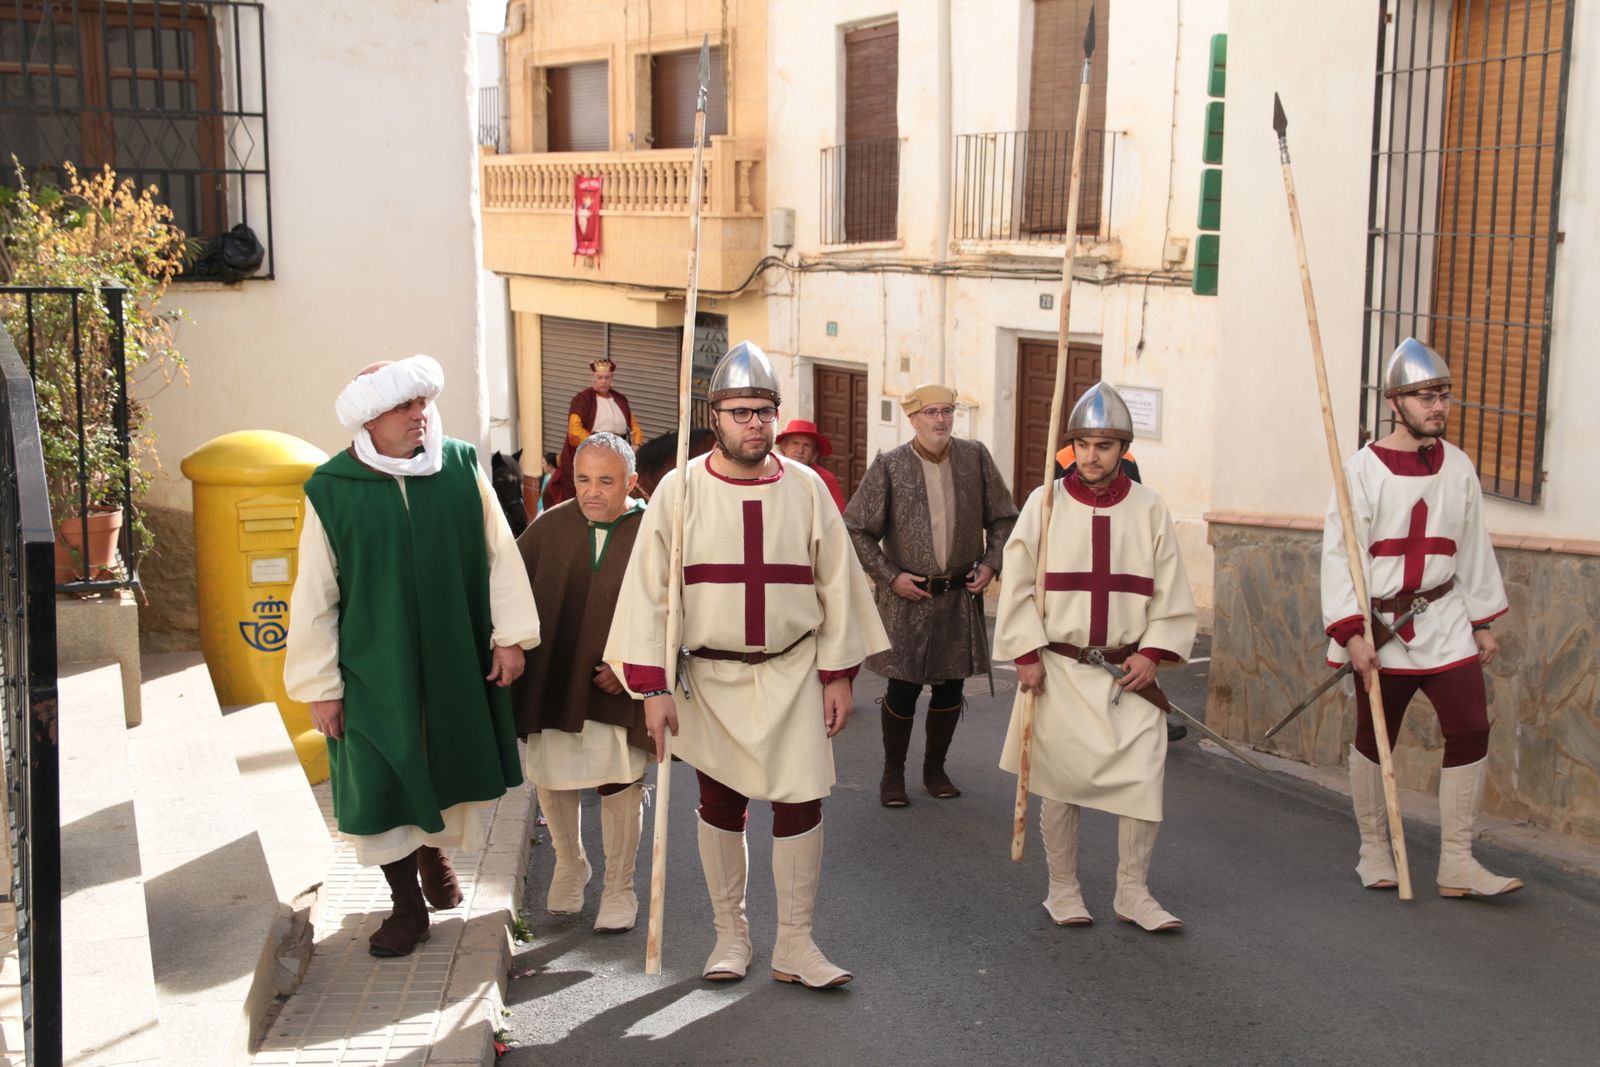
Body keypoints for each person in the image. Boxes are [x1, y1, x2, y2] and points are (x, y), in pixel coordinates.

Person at [605, 341, 888, 988]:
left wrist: (839, 673)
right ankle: (730, 934)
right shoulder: (680, 488)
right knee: (720, 801)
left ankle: (796, 944)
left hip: (792, 673)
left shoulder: (809, 488)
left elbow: (839, 584)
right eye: (740, 411)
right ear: (716, 415)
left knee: (801, 802)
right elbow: (650, 591)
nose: (755, 423)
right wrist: (652, 686)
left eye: (764, 411)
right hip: (710, 679)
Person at [284, 355, 540, 957]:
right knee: (381, 780)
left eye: (423, 402)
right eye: (404, 407)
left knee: (444, 762)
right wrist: (321, 685)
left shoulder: (458, 466)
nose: (419, 415)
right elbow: (315, 592)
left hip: (454, 652)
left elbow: (499, 552)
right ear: (369, 421)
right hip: (373, 668)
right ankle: (405, 906)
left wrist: (510, 636)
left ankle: (434, 854)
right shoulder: (330, 489)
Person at [1322, 337, 1520, 898]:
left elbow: (1473, 545)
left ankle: (1457, 861)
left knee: (1472, 728)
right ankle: (1373, 849)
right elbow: (1340, 554)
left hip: (1446, 617)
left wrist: (1481, 619)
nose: (1439, 405)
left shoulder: (1457, 465)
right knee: (1373, 738)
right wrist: (1351, 632)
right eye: (1426, 395)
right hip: (1381, 630)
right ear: (1394, 402)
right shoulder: (1360, 471)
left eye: (1444, 395)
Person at [996, 382, 1198, 932]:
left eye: (1104, 445)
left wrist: (1154, 652)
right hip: (1060, 669)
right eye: (1082, 443)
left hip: (1127, 673)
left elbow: (1171, 590)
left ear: (1123, 449)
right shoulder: (1045, 501)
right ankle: (1063, 888)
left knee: (1143, 779)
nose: (1091, 455)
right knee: (1062, 781)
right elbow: (1016, 584)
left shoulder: (1151, 507)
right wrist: (1026, 653)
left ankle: (1132, 893)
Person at [844, 384, 1017, 807]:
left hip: (958, 597)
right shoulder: (890, 465)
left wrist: (992, 563)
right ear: (913, 419)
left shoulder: (975, 458)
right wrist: (889, 576)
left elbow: (1003, 518)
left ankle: (935, 768)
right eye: (931, 413)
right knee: (903, 690)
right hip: (908, 599)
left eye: (946, 411)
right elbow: (856, 529)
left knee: (950, 689)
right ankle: (892, 775)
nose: (940, 420)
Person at [512, 432, 652, 932]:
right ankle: (571, 866)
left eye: (607, 481)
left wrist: (633, 666)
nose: (592, 492)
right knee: (553, 772)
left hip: (621, 684)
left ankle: (620, 885)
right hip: (556, 675)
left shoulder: (654, 530)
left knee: (620, 778)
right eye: (583, 479)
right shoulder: (553, 525)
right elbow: (509, 587)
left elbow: (675, 606)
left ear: (631, 482)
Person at [546, 357, 645, 507]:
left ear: (612, 379)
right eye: (599, 378)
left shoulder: (620, 399)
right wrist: (600, 446)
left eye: (607, 378)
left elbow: (634, 426)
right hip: (594, 454)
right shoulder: (582, 400)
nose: (603, 381)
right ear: (592, 378)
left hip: (621, 454)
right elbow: (574, 432)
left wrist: (636, 445)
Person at [776, 418, 847, 511]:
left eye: (807, 445)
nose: (800, 450)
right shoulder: (770, 472)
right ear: (784, 446)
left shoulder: (825, 479)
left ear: (814, 452)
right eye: (795, 443)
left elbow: (838, 516)